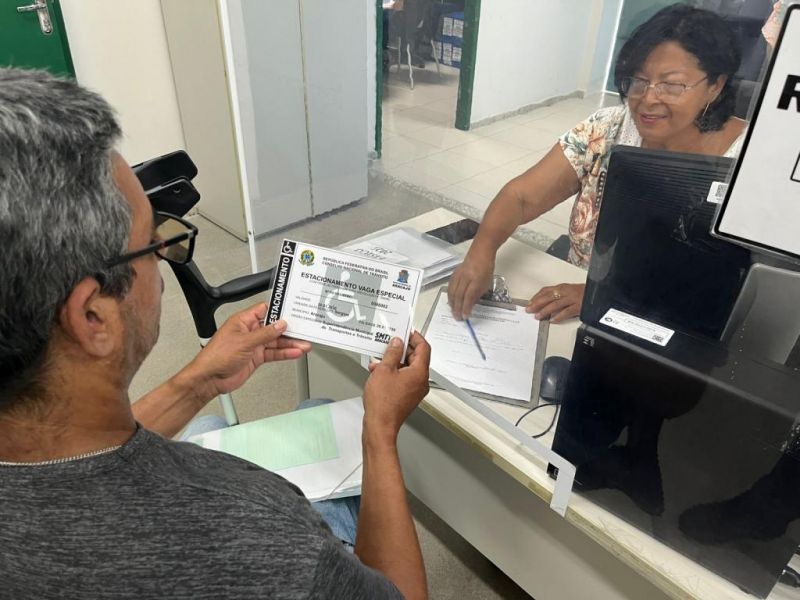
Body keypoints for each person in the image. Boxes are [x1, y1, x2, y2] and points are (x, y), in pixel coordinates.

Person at [0, 67, 430, 600]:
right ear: (94, 318)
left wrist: (198, 381)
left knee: (236, 418)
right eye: (153, 243)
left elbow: (79, 459)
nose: (164, 259)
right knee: (323, 420)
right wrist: (380, 431)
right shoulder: (259, 528)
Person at [448, 4, 748, 324]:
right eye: (639, 81)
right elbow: (520, 197)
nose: (648, 99)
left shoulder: (747, 163)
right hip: (576, 310)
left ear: (715, 85)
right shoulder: (608, 128)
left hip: (667, 322)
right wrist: (481, 251)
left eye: (671, 85)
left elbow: (728, 288)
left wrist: (602, 293)